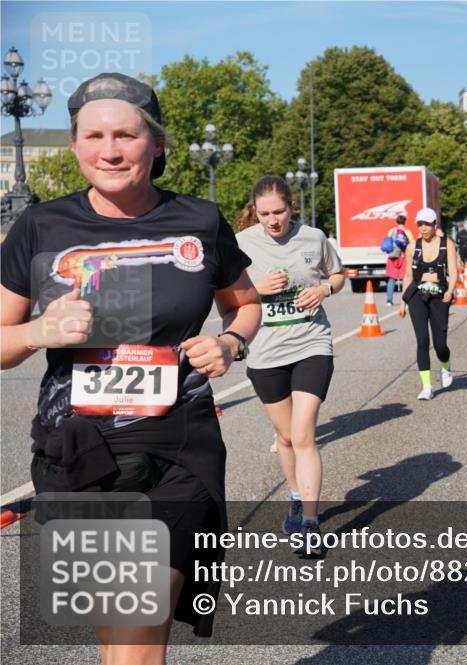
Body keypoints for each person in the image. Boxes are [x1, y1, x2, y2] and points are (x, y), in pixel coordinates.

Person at [0, 73, 261, 659]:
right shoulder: (41, 225)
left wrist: (229, 344)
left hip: (177, 448)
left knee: (137, 628)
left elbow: (244, 305)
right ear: (74, 145)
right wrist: (39, 331)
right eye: (94, 136)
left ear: (157, 143)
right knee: (113, 632)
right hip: (77, 451)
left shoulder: (199, 221)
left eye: (126, 135)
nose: (110, 151)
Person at [235, 175, 345, 550]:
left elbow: (338, 275)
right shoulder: (242, 244)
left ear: (291, 207)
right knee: (284, 437)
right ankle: (297, 497)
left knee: (302, 435)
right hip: (266, 351)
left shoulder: (313, 238)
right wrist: (256, 289)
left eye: (279, 212)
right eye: (265, 214)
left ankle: (311, 524)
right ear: (255, 211)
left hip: (311, 343)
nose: (272, 220)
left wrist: (323, 289)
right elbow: (227, 295)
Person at [399, 208, 458, 400]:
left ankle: (445, 365)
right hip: (417, 295)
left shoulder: (447, 244)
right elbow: (408, 276)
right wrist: (403, 302)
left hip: (440, 295)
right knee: (422, 340)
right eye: (420, 224)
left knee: (440, 345)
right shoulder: (412, 247)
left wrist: (450, 290)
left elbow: (453, 272)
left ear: (435, 225)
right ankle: (427, 387)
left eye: (427, 224)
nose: (423, 228)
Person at [384, 214, 413, 306]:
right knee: (406, 278)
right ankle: (406, 299)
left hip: (393, 257)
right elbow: (412, 244)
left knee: (392, 279)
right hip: (404, 257)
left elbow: (388, 242)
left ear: (396, 222)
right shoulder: (407, 232)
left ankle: (389, 300)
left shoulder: (391, 231)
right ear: (405, 222)